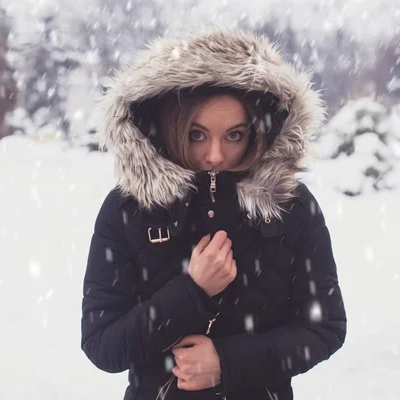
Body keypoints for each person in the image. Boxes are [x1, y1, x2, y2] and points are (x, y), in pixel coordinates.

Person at [81, 28, 347, 400]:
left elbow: (324, 328)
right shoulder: (130, 208)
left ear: (257, 132)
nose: (216, 155)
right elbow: (103, 344)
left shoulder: (290, 204)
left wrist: (228, 363)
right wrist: (192, 293)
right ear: (171, 128)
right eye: (197, 135)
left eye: (234, 135)